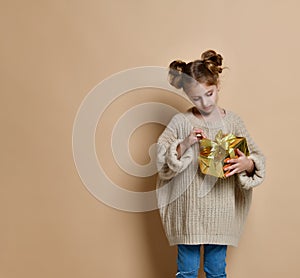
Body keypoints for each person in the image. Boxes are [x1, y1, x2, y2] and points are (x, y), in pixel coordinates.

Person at [155, 50, 265, 278]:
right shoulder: (181, 122)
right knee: (186, 272)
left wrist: (247, 164)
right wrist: (184, 144)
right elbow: (162, 160)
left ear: (217, 85)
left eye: (209, 93)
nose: (205, 102)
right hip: (189, 214)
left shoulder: (232, 122)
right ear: (187, 95)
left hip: (221, 214)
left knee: (216, 271)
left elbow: (256, 156)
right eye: (196, 98)